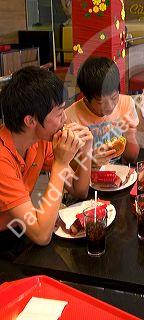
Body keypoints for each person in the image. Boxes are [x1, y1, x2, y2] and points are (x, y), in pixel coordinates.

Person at [0, 67, 93, 246]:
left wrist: (86, 149)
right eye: (59, 113)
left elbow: (79, 190)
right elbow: (42, 236)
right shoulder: (3, 158)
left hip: (19, 228)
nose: (65, 119)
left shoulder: (40, 140)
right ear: (30, 121)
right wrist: (60, 162)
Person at [65, 57, 139, 167]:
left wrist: (131, 137)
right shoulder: (70, 117)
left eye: (114, 97)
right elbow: (66, 167)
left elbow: (131, 158)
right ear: (86, 97)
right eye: (100, 102)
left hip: (119, 175)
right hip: (87, 180)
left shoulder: (127, 103)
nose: (110, 107)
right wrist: (89, 160)